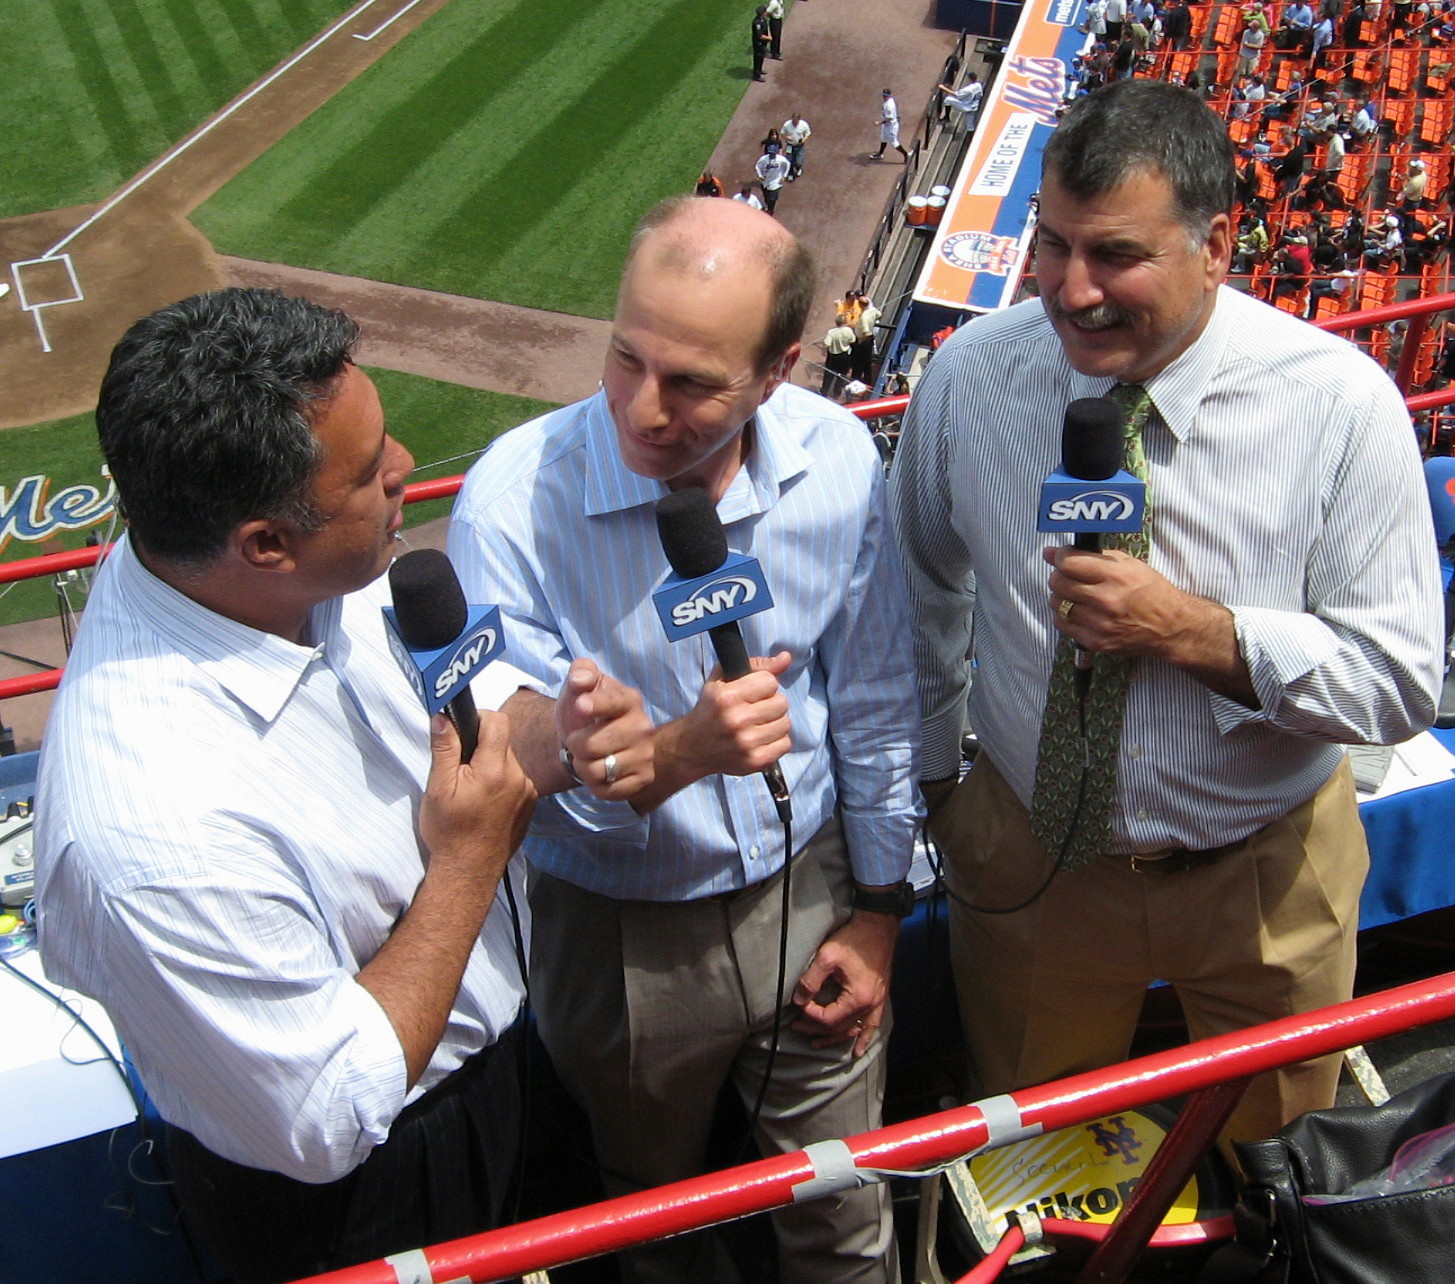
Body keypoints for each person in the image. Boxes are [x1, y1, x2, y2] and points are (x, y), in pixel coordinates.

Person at [33, 289, 654, 1283]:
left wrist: (565, 734)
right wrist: (466, 863)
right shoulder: (149, 833)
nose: (407, 464)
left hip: (506, 1073)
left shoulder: (275, 572)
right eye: (370, 474)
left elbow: (487, 715)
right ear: (266, 544)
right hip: (359, 1198)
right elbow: (328, 1114)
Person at [890, 79, 1442, 1148]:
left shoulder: (1339, 404)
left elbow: (1403, 679)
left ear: (1219, 244)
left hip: (1267, 868)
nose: (1070, 289)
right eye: (1052, 244)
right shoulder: (972, 381)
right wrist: (936, 783)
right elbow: (918, 588)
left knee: (1279, 1166)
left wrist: (1194, 632)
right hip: (1032, 857)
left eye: (1116, 256)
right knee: (1032, 1165)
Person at [449, 195, 922, 1284]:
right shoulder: (513, 504)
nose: (643, 410)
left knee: (844, 1215)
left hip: (814, 894)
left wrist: (883, 911)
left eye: (694, 383)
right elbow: (505, 766)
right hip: (618, 935)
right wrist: (667, 757)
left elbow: (879, 690)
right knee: (656, 1227)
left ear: (779, 370)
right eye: (626, 357)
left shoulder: (839, 460)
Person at [822, 312, 857, 398]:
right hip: (845, 356)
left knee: (829, 375)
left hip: (833, 356)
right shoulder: (849, 331)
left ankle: (824, 392)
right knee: (842, 375)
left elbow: (826, 343)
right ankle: (836, 393)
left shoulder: (831, 332)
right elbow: (853, 340)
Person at [850, 292, 883, 385]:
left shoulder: (864, 317)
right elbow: (879, 314)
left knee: (858, 361)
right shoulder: (872, 310)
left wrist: (860, 341)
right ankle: (867, 379)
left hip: (863, 340)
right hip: (869, 340)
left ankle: (855, 379)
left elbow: (866, 333)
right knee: (867, 360)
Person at [755, 141, 791, 215]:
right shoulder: (764, 159)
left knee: (772, 198)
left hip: (776, 182)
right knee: (766, 197)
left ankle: (770, 210)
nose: (772, 154)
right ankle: (769, 207)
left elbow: (788, 164)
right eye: (770, 153)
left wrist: (784, 176)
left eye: (773, 153)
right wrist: (760, 175)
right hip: (765, 181)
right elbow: (757, 166)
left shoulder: (781, 159)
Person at [874, 88, 909, 161]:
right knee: (883, 138)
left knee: (894, 143)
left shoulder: (889, 106)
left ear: (889, 96)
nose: (884, 97)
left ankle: (905, 154)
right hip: (887, 125)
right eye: (884, 95)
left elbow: (889, 118)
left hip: (891, 126)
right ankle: (880, 154)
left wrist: (879, 123)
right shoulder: (889, 100)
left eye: (886, 96)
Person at [782, 111, 812, 179]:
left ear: (799, 119)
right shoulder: (787, 125)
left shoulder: (804, 125)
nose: (794, 123)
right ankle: (790, 173)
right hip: (790, 145)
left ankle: (798, 168)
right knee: (789, 160)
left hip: (799, 146)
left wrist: (803, 140)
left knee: (799, 162)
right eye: (793, 120)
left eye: (796, 121)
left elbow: (808, 133)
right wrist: (787, 137)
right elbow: (782, 133)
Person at [751, 5, 771, 81]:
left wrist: (768, 36)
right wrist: (769, 38)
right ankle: (756, 75)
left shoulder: (763, 19)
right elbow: (760, 35)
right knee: (758, 58)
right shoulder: (757, 22)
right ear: (762, 13)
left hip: (763, 42)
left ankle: (759, 70)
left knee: (761, 57)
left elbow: (766, 28)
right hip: (758, 43)